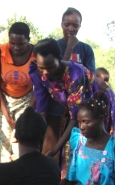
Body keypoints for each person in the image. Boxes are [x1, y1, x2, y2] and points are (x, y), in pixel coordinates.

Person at [29, 38, 96, 175]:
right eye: (42, 68)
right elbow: (42, 105)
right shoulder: (37, 70)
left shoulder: (74, 74)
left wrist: (55, 149)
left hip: (92, 106)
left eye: (50, 67)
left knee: (79, 148)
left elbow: (76, 116)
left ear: (59, 59)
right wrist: (36, 138)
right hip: (70, 109)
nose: (45, 72)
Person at [0, 22, 35, 163]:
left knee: (21, 136)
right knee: (4, 136)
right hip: (3, 98)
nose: (15, 47)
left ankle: (20, 170)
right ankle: (2, 173)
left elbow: (38, 88)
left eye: (20, 44)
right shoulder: (0, 51)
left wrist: (29, 110)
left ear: (28, 40)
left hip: (26, 99)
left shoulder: (35, 54)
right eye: (12, 43)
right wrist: (7, 117)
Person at [57, 7, 95, 74]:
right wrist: (69, 48)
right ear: (62, 25)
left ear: (79, 26)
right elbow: (58, 74)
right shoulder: (54, 46)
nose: (71, 29)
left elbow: (91, 77)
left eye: (75, 26)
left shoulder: (86, 49)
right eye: (67, 25)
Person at [95, 67, 115, 132]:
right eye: (102, 80)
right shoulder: (95, 91)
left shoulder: (109, 92)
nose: (105, 83)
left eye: (106, 81)